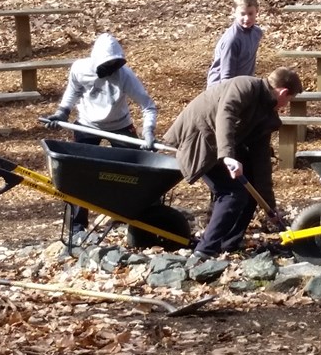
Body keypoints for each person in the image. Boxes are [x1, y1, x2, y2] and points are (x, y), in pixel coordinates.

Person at [163, 67, 303, 260]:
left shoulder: (267, 116)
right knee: (232, 193)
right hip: (200, 140)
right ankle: (204, 251)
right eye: (289, 99)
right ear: (283, 92)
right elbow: (225, 115)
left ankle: (227, 243)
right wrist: (228, 156)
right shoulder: (245, 85)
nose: (286, 105)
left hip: (221, 146)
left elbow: (261, 162)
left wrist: (270, 207)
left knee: (250, 188)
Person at [44, 32, 158, 232]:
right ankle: (77, 227)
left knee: (137, 172)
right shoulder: (80, 68)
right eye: (106, 66)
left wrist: (148, 131)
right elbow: (73, 91)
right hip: (87, 125)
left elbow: (148, 106)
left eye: (113, 65)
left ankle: (143, 219)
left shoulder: (125, 76)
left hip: (120, 125)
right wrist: (62, 112)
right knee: (78, 175)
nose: (110, 71)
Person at [206, 0, 263, 88]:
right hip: (221, 88)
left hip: (242, 85)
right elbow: (226, 76)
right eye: (242, 14)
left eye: (250, 13)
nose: (247, 18)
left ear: (257, 11)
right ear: (234, 12)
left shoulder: (256, 33)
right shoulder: (232, 40)